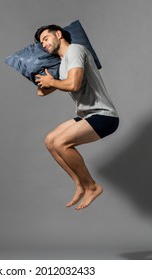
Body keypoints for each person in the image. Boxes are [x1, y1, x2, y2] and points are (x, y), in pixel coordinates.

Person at [34, 24, 119, 210]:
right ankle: (79, 183)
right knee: (50, 141)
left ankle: (92, 186)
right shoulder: (63, 61)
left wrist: (52, 81)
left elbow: (73, 84)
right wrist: (46, 81)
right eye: (41, 43)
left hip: (104, 115)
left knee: (61, 143)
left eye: (46, 39)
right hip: (87, 115)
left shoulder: (75, 50)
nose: (44, 45)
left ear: (58, 34)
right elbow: (42, 93)